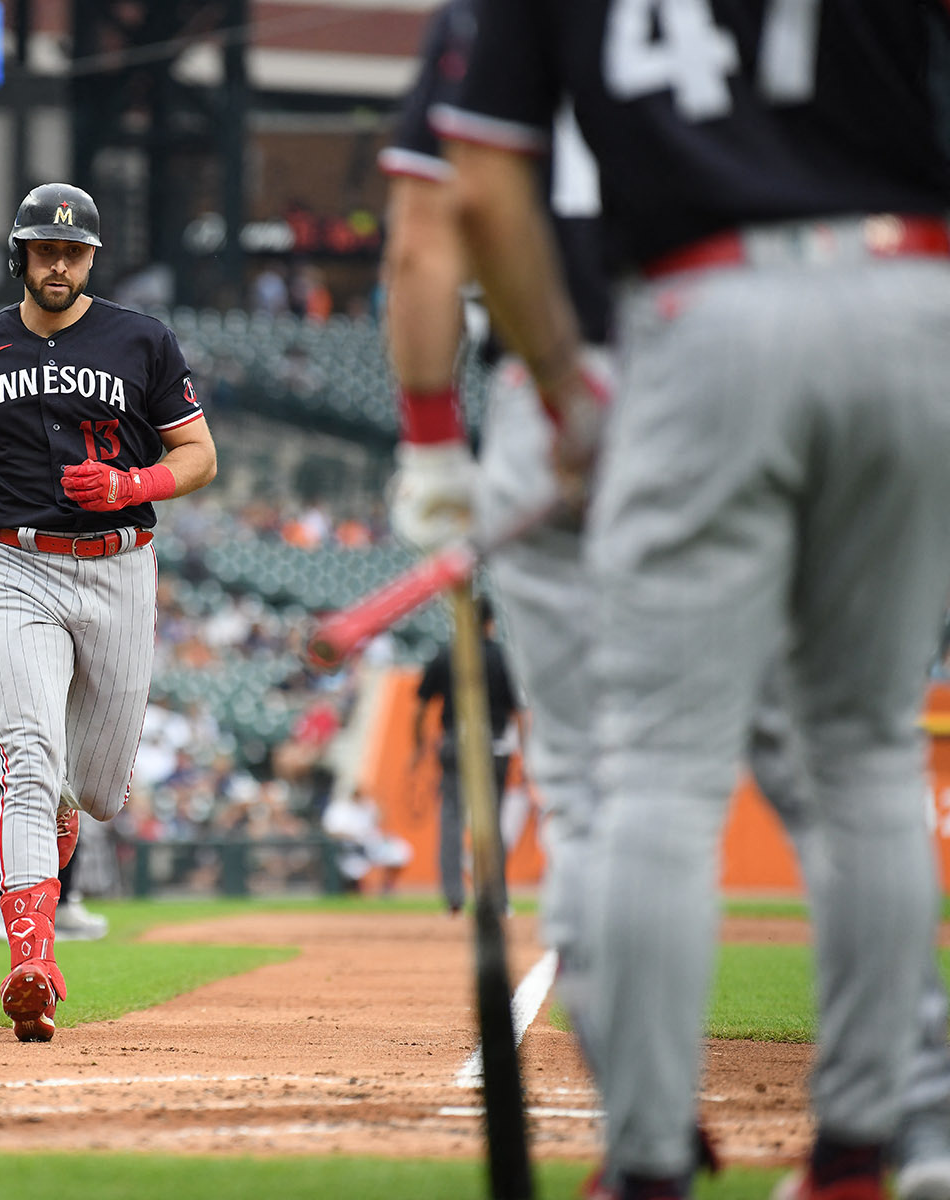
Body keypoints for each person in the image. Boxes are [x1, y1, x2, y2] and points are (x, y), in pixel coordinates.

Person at [381, 5, 950, 1196]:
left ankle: (646, 1165)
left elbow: (461, 198)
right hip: (910, 292)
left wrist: (534, 404)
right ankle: (879, 1142)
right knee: (864, 753)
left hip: (687, 322)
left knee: (641, 778)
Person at [0, 182, 216, 1041]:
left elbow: (198, 454)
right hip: (18, 567)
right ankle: (30, 959)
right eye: (46, 249)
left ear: (92, 259)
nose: (61, 263)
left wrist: (132, 484)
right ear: (21, 255)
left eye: (74, 252)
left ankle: (72, 810)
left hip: (120, 568)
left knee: (103, 791)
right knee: (27, 758)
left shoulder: (140, 339)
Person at [0, 573, 109, 943]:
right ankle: (30, 909)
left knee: (11, 800)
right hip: (16, 689)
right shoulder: (52, 568)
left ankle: (35, 908)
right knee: (51, 794)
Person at [411, 597, 518, 915]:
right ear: (490, 623)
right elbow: (516, 711)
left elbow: (420, 707)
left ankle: (454, 897)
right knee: (493, 822)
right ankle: (497, 899)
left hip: (455, 741)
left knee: (452, 820)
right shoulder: (501, 656)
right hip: (493, 742)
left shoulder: (446, 653)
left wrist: (418, 746)